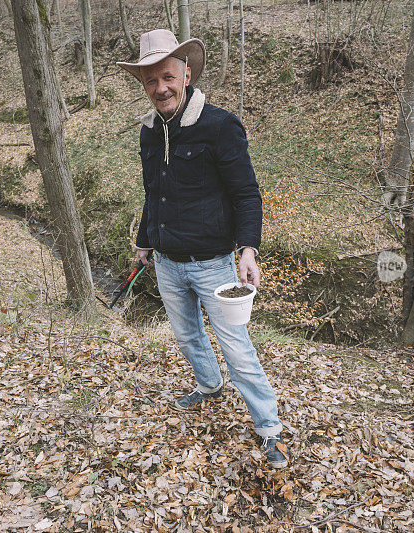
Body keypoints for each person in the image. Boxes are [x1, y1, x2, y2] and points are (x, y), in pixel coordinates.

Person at [117, 29, 288, 468]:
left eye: (168, 77)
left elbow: (247, 194)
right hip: (167, 263)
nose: (161, 88)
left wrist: (248, 249)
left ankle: (269, 428)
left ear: (186, 74)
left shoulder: (220, 126)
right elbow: (153, 192)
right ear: (144, 86)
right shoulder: (149, 132)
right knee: (187, 335)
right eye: (151, 81)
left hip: (215, 265)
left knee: (236, 347)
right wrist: (144, 241)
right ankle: (209, 386)